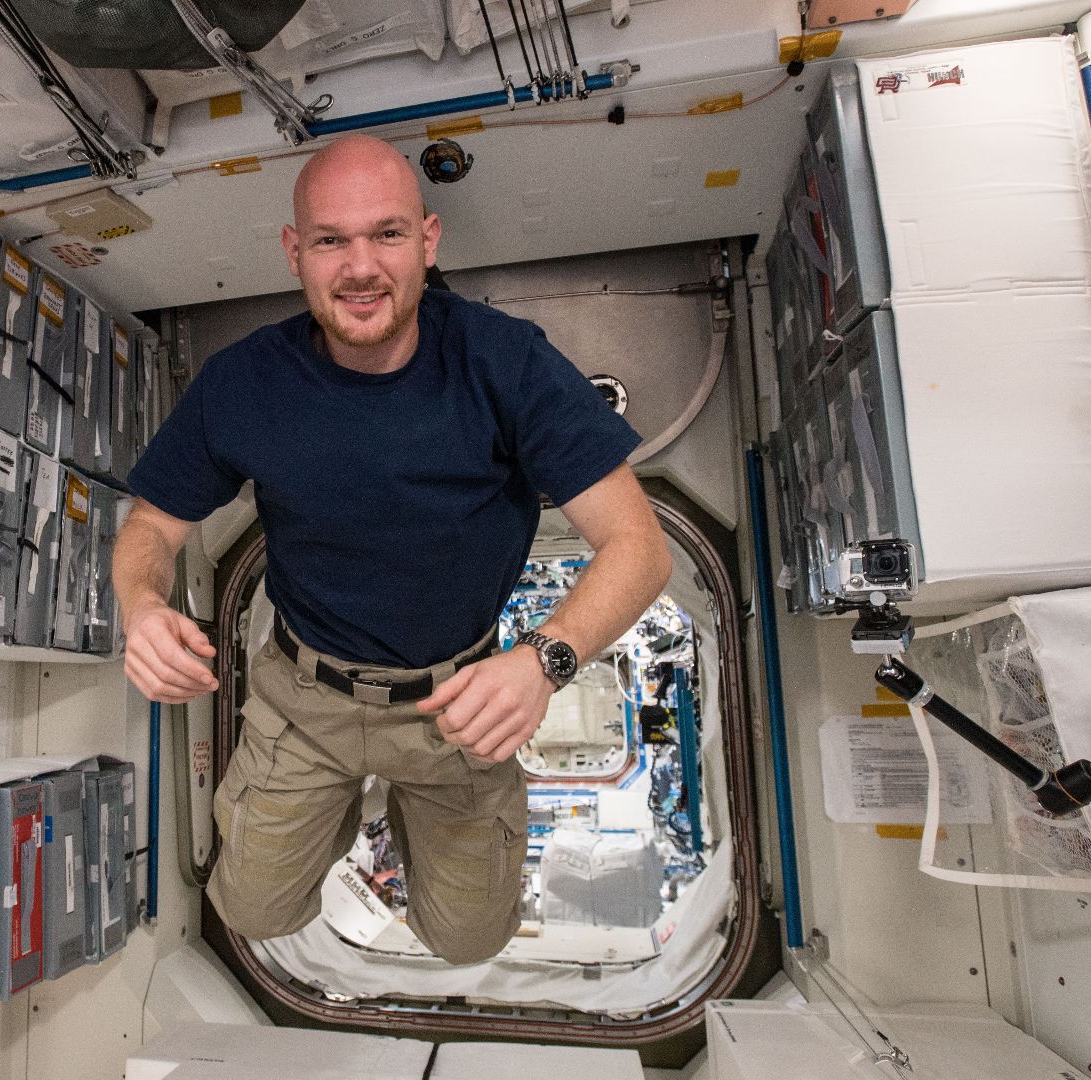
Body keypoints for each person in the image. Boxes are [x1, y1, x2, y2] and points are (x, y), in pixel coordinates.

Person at [113, 134, 672, 965]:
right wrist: (143, 607)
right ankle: (343, 809)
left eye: (388, 234)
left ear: (429, 239)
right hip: (305, 700)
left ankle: (408, 813)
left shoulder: (505, 362)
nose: (361, 267)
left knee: (468, 942)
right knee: (249, 911)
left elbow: (640, 546)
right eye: (332, 240)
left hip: (458, 706)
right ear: (295, 252)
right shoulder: (242, 384)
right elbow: (151, 529)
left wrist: (541, 663)